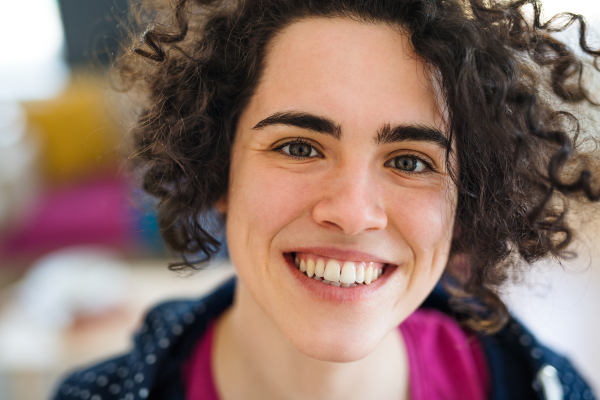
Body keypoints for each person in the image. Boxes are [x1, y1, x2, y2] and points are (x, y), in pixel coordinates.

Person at [53, 0, 599, 399]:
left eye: (410, 161)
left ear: (468, 204)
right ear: (217, 168)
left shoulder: (550, 388)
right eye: (298, 147)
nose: (353, 211)